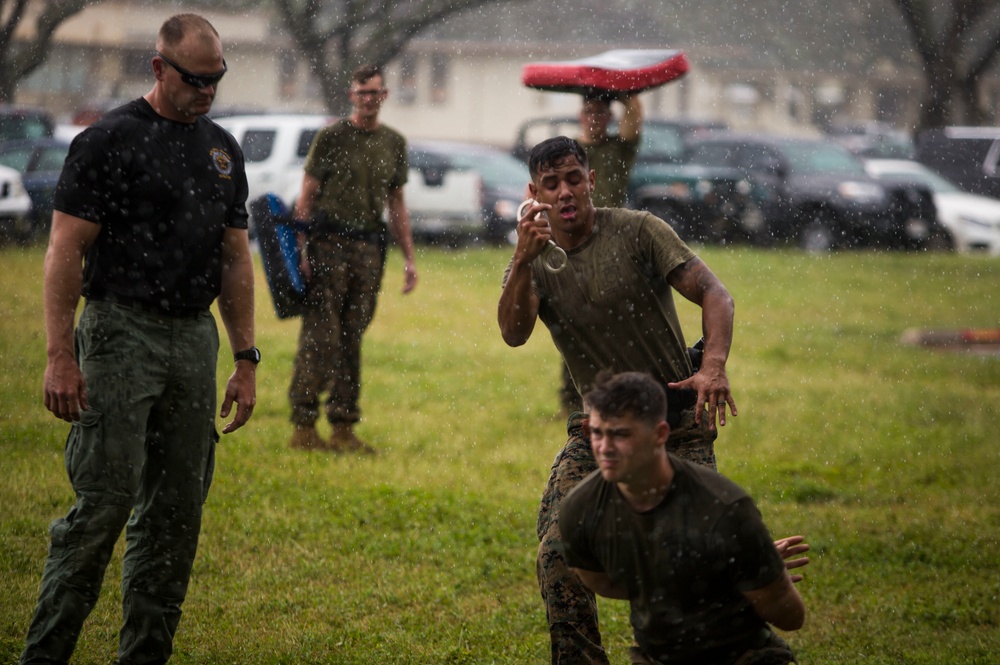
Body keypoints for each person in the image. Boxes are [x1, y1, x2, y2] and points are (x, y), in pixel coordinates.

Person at [21, 14, 257, 664]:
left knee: (175, 516)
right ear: (158, 68)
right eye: (194, 79)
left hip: (193, 340)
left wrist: (245, 357)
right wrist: (60, 355)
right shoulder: (109, 140)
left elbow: (235, 258)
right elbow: (65, 249)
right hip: (119, 330)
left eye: (216, 80)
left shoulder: (220, 150)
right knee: (103, 504)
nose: (207, 91)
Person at [498, 136, 737, 665]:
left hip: (671, 424)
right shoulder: (534, 258)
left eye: (573, 178)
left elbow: (715, 293)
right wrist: (521, 258)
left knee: (693, 561)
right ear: (533, 193)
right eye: (551, 183)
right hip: (598, 433)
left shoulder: (638, 231)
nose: (565, 192)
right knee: (558, 552)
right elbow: (513, 333)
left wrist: (713, 367)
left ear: (591, 181)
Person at [560, 371, 808, 665]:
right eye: (597, 433)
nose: (604, 447)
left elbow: (791, 617)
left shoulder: (724, 508)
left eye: (621, 434)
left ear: (660, 434)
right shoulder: (580, 509)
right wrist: (706, 574)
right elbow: (603, 582)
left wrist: (764, 575)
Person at [288, 63, 418, 454]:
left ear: (385, 95)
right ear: (352, 96)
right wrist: (299, 250)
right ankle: (304, 427)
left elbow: (396, 203)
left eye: (375, 93)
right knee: (320, 336)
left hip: (368, 249)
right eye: (362, 93)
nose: (369, 100)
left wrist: (409, 258)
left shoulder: (393, 142)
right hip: (328, 244)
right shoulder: (332, 137)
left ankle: (343, 426)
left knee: (351, 338)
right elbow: (306, 194)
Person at [558, 92, 643, 412]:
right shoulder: (569, 152)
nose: (594, 118)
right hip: (574, 245)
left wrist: (622, 88)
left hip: (614, 245)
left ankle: (613, 395)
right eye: (589, 112)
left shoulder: (618, 150)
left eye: (601, 113)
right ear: (580, 114)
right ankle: (572, 401)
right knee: (572, 322)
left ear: (610, 117)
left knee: (614, 322)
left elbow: (634, 113)